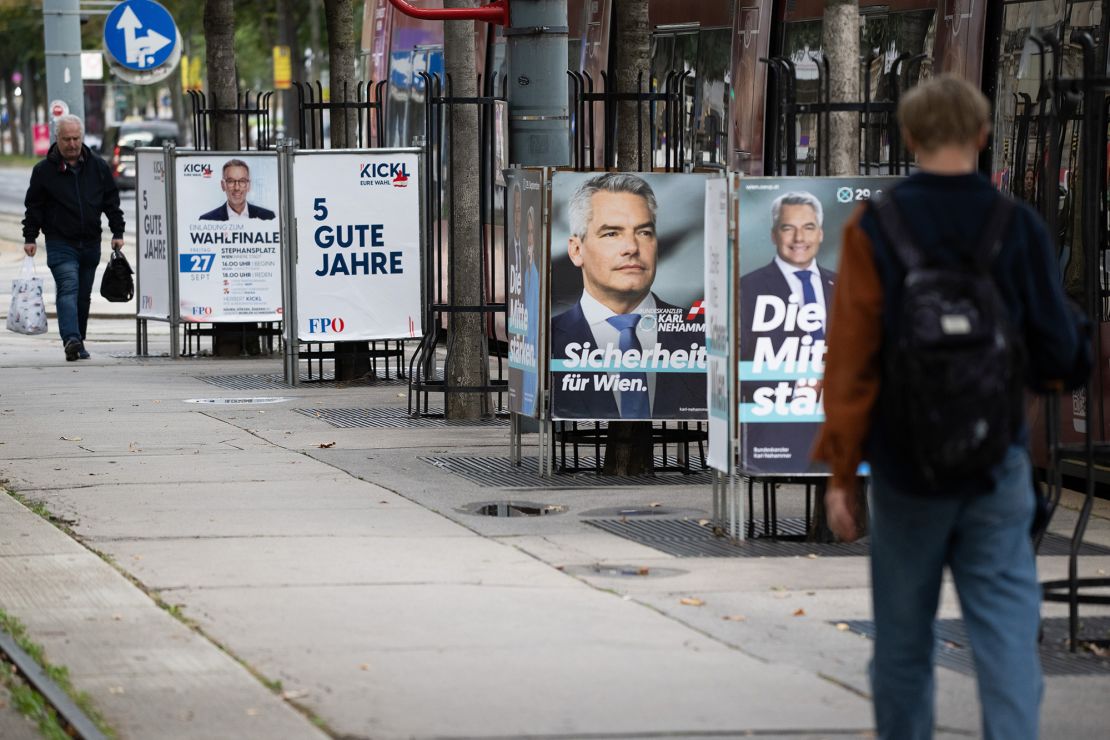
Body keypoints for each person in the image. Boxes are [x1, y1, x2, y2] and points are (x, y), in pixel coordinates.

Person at [813, 75, 1085, 740]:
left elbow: (850, 363)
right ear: (983, 135)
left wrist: (843, 474)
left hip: (906, 471)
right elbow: (1060, 353)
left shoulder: (875, 226)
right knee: (1005, 641)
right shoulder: (1016, 225)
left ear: (908, 138)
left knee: (903, 644)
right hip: (998, 463)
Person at [551, 172, 705, 420]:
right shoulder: (550, 339)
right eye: (612, 233)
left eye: (644, 232)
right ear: (576, 250)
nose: (632, 248)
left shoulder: (701, 333)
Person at [738, 191, 836, 472]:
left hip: (836, 421)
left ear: (820, 233)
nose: (799, 238)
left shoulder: (842, 286)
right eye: (788, 228)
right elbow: (740, 360)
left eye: (808, 227)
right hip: (777, 425)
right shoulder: (748, 288)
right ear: (773, 235)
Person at [22, 114, 125, 361]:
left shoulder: (98, 167)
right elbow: (34, 206)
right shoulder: (44, 171)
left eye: (76, 138)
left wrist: (118, 231)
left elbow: (111, 201)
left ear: (82, 138)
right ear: (57, 139)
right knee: (68, 287)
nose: (71, 144)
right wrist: (30, 236)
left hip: (90, 242)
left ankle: (79, 341)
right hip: (60, 241)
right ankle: (71, 338)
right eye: (66, 139)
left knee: (82, 295)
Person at [198, 159, 276, 221]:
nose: (237, 188)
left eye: (242, 181)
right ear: (223, 185)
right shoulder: (207, 219)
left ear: (248, 185)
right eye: (231, 181)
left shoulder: (268, 217)